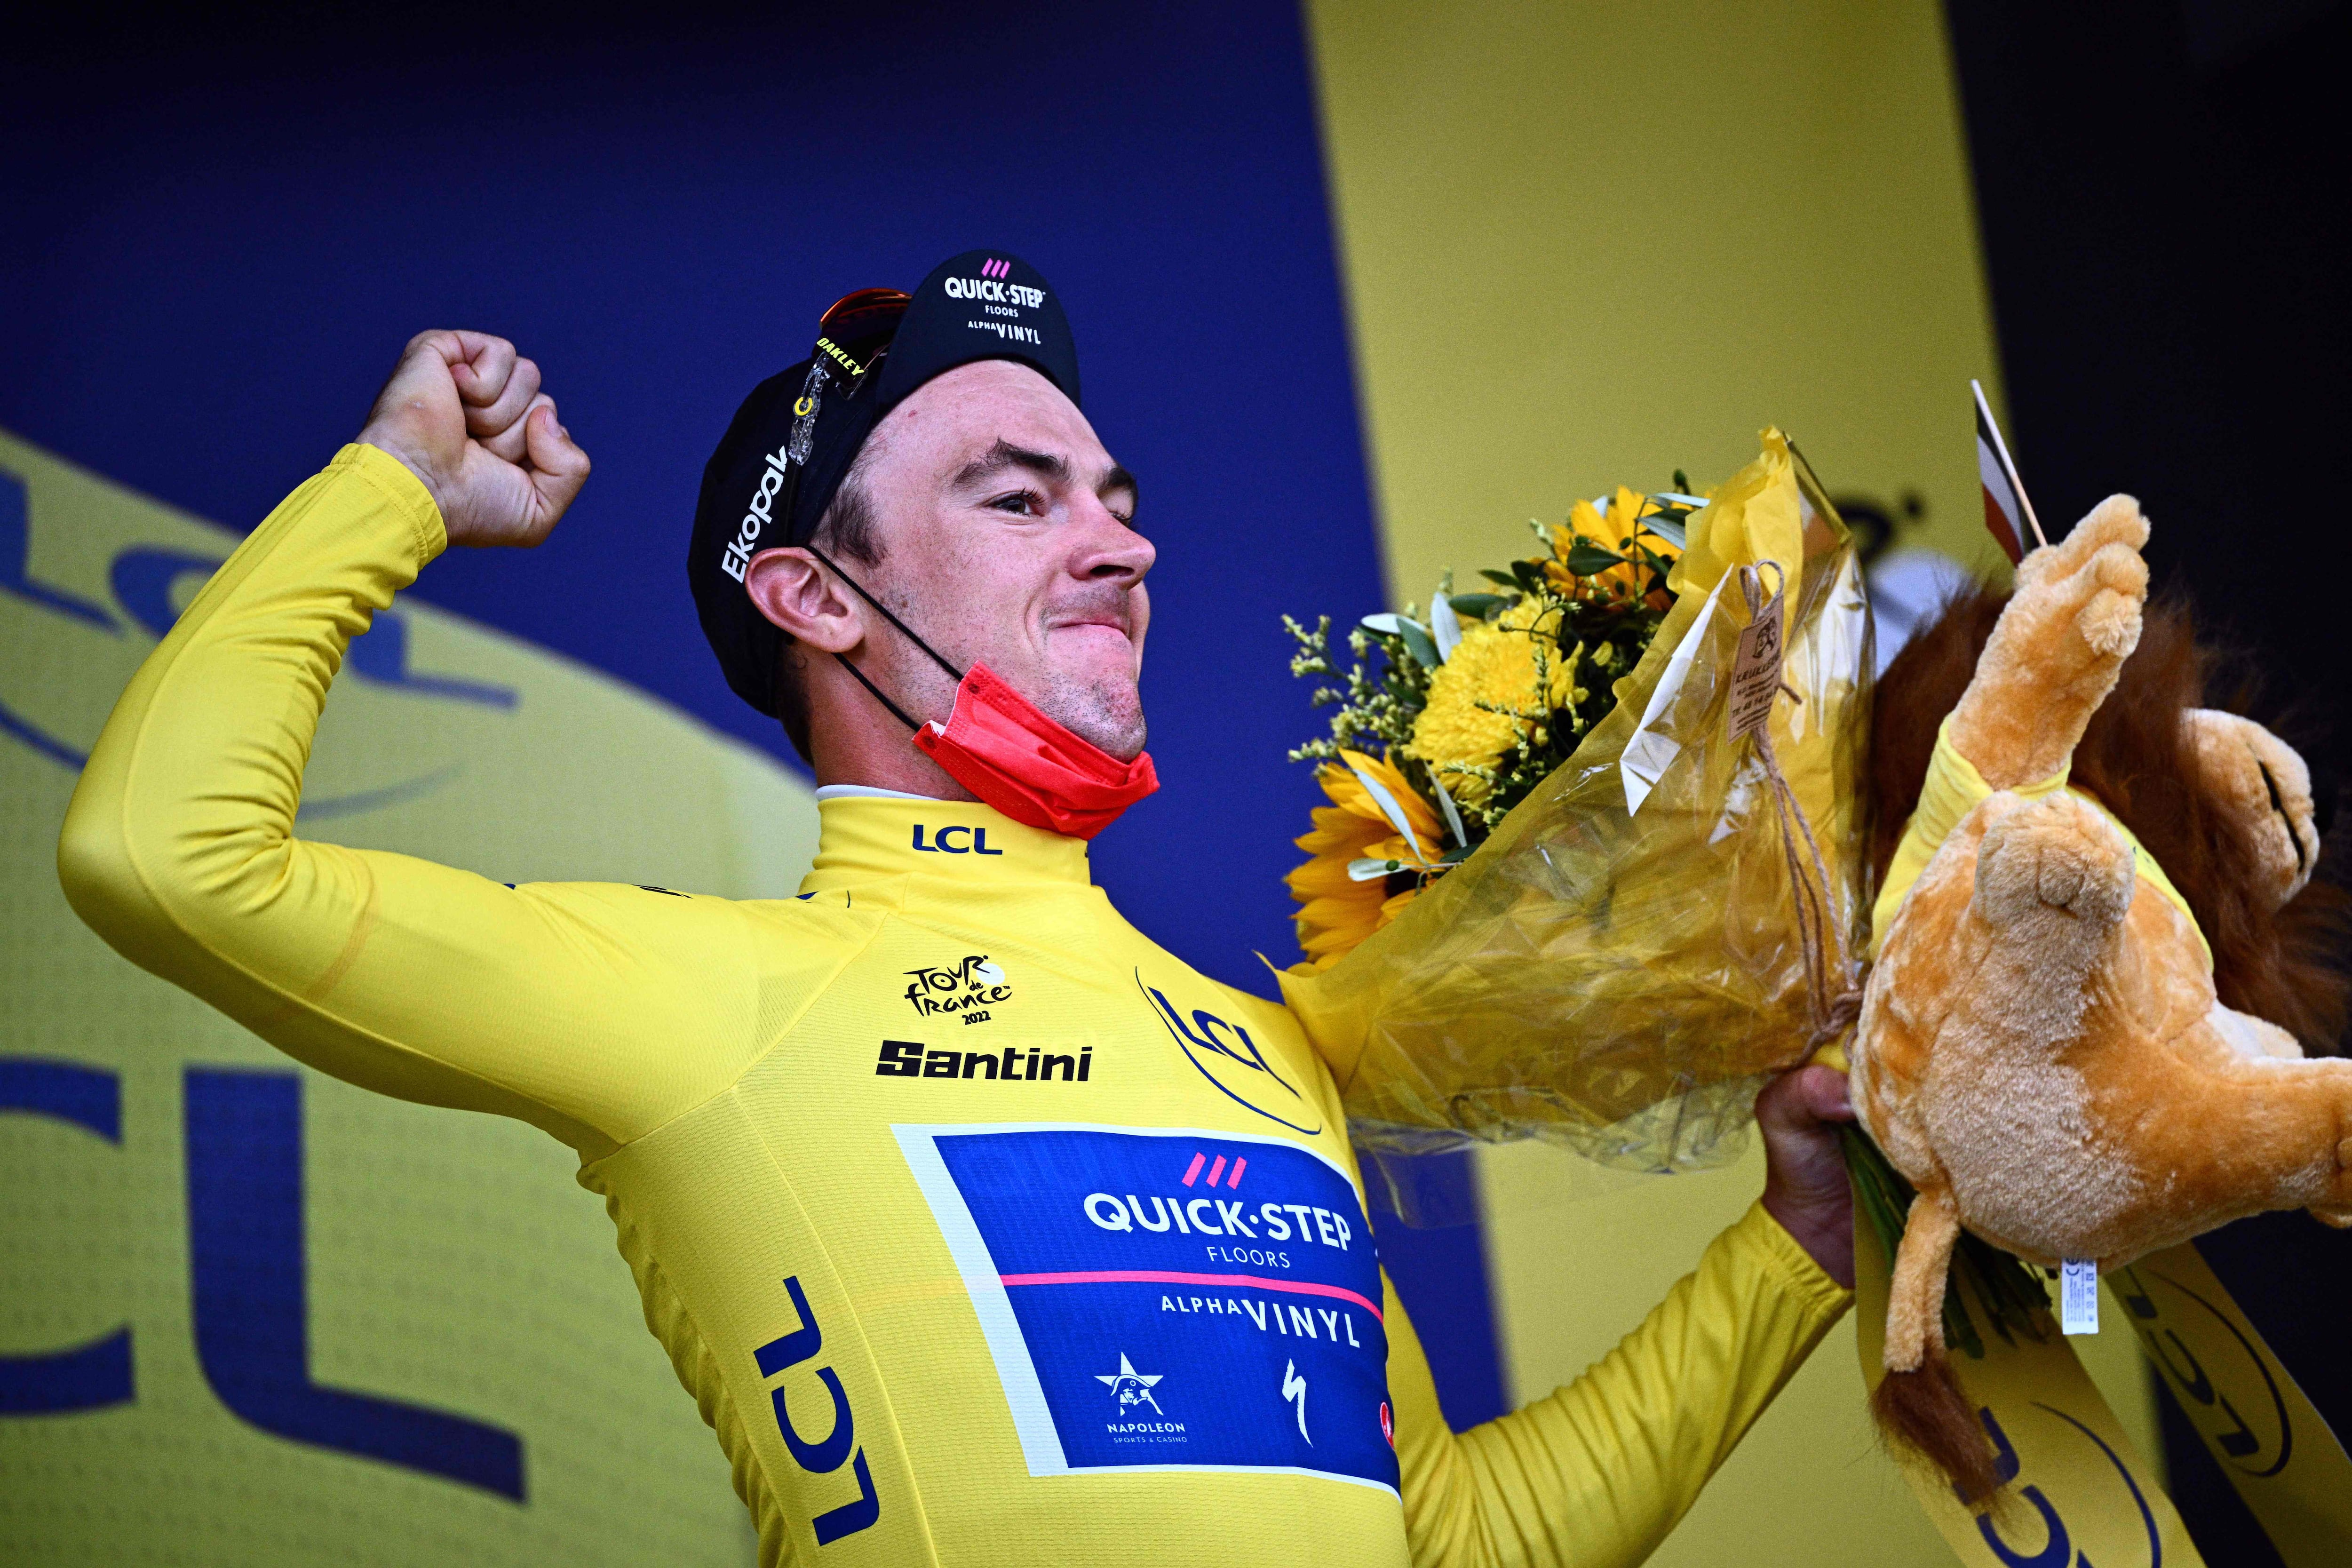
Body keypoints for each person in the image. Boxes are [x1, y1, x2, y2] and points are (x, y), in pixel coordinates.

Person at [60, 250, 1859, 1567]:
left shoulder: (1262, 1051)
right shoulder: (708, 1000)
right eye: (1019, 498)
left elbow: (1470, 1549)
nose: (1124, 545)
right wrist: (391, 496)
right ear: (816, 597)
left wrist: (1798, 1243)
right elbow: (170, 856)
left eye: (1115, 498)